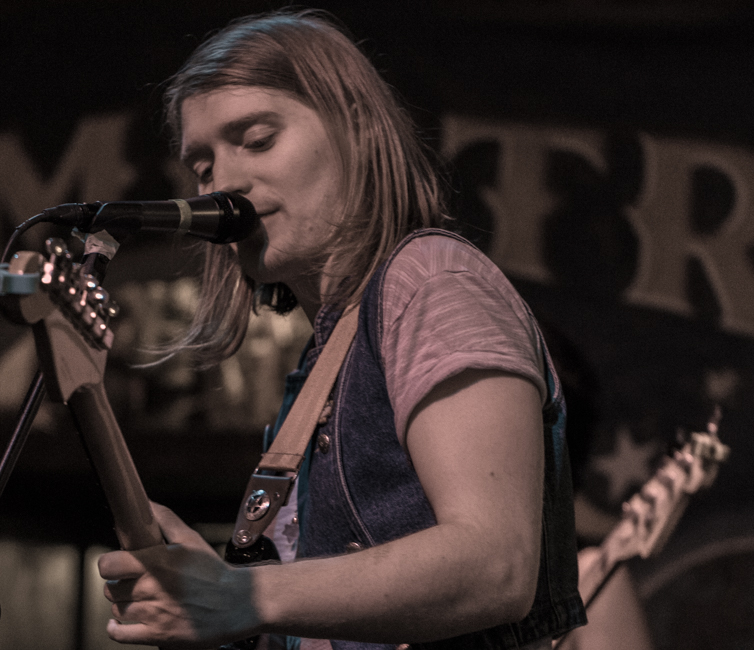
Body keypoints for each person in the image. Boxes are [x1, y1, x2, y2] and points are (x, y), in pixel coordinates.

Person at [97, 10, 586, 650]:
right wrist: (222, 602)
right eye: (203, 164)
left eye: (258, 139)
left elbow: (495, 566)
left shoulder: (430, 282)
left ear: (356, 130)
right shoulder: (327, 355)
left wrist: (241, 595)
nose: (226, 183)